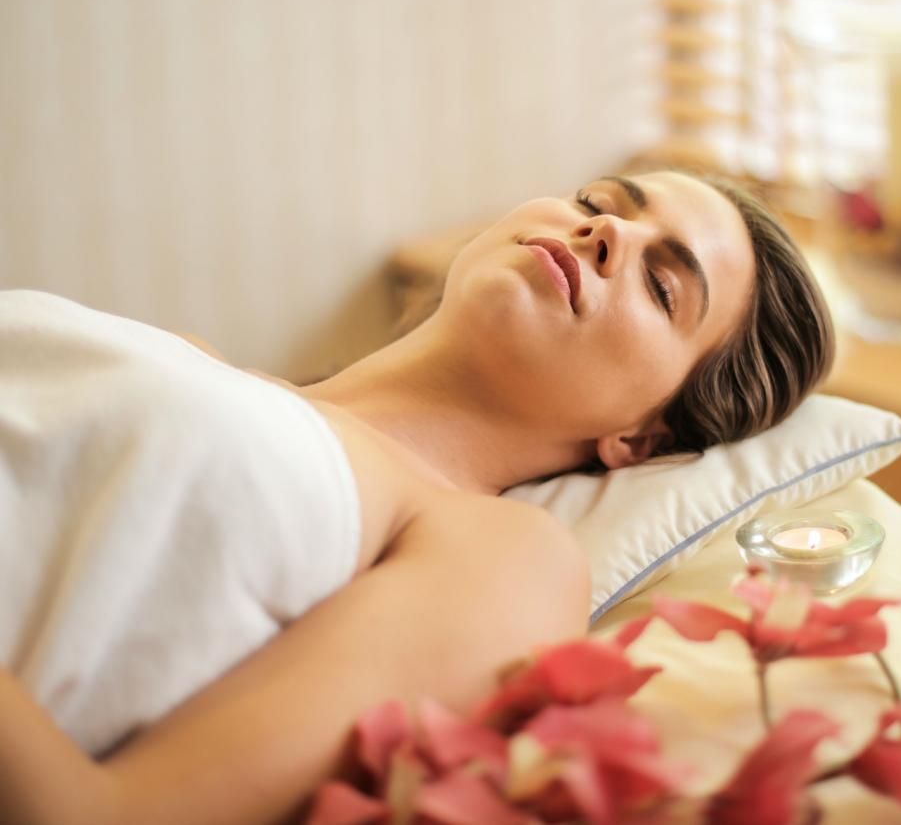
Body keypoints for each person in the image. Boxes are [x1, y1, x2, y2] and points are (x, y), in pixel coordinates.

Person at [0, 169, 834, 825]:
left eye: (663, 287)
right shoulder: (184, 356)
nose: (607, 229)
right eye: (598, 201)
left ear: (641, 441)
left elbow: (102, 815)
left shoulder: (501, 554)